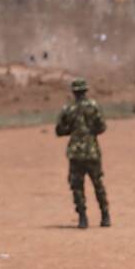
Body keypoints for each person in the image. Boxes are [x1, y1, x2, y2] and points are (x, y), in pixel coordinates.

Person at [56, 78, 110, 229]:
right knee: (98, 183)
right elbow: (102, 127)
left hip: (75, 153)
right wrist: (90, 131)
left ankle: (82, 218)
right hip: (92, 151)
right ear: (85, 91)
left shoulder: (68, 109)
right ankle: (105, 215)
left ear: (74, 92)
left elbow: (59, 130)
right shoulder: (94, 106)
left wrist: (73, 130)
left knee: (77, 186)